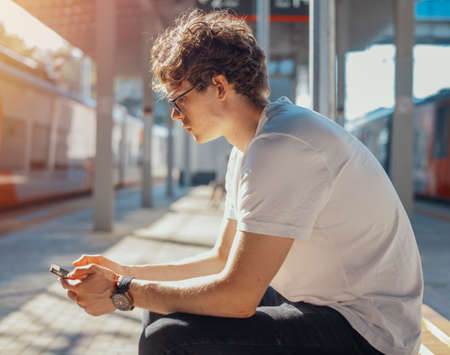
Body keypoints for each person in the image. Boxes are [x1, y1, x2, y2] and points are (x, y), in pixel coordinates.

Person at [59, 9, 424, 355]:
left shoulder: (283, 145)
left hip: (368, 333)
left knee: (170, 340)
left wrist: (123, 292)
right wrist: (122, 274)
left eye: (179, 98)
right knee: (162, 310)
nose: (174, 114)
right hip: (324, 305)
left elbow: (237, 298)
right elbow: (221, 260)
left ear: (218, 85)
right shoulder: (249, 148)